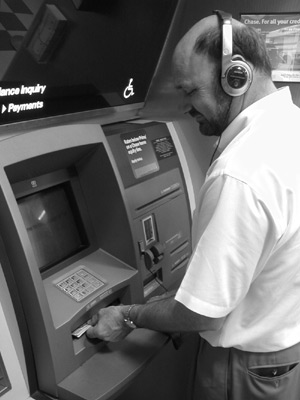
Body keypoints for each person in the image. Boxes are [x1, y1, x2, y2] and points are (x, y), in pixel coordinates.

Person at [87, 11, 300, 400]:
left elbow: (203, 311)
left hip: (243, 371)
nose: (186, 107)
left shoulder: (242, 173)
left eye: (190, 91)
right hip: (281, 359)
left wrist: (128, 314)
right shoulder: (289, 126)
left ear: (237, 78)